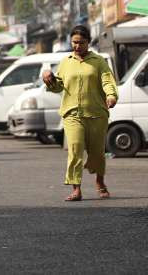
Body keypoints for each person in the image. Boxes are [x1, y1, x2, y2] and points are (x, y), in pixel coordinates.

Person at [42, 24, 119, 202]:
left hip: (96, 114)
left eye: (81, 43)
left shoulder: (98, 61)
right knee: (75, 148)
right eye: (74, 42)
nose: (77, 46)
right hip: (72, 114)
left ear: (88, 42)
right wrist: (49, 79)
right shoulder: (66, 62)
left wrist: (111, 95)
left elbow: (107, 81)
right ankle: (76, 188)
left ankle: (100, 181)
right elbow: (58, 87)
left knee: (97, 152)